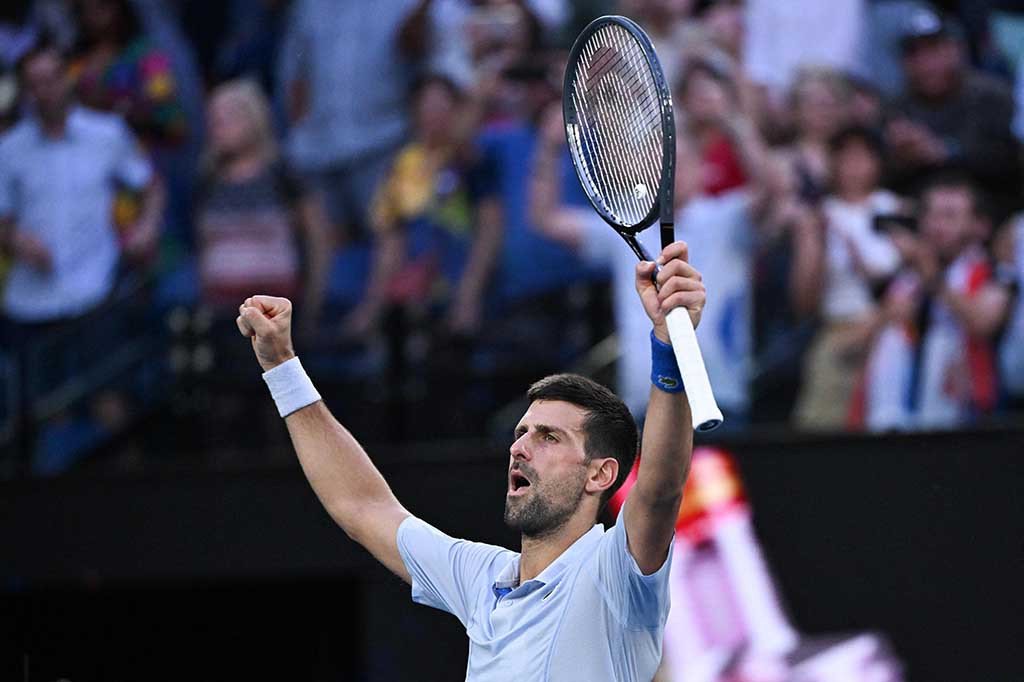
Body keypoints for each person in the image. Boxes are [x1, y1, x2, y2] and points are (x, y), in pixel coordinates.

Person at [235, 238, 706, 680]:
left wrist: (668, 348)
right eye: (521, 433)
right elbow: (363, 506)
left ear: (600, 474)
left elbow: (661, 487)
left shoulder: (615, 574)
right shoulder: (481, 578)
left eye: (548, 438)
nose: (519, 447)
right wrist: (282, 367)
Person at [194, 78, 330, 333]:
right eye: (213, 119)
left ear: (253, 117)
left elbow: (317, 240)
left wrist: (313, 304)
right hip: (222, 317)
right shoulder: (206, 181)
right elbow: (203, 249)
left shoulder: (284, 175)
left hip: (277, 319)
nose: (217, 127)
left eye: (227, 117)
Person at [793, 126, 904, 430]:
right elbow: (803, 302)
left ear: (878, 162)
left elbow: (909, 278)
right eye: (845, 157)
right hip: (837, 329)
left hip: (888, 329)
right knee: (820, 425)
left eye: (863, 157)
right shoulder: (820, 215)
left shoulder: (894, 208)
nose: (854, 167)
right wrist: (812, 241)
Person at [886, 5, 1021, 212]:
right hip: (919, 220)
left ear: (957, 50)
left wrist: (944, 152)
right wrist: (897, 158)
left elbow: (1009, 162)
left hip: (992, 215)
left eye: (934, 50)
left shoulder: (993, 97)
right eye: (915, 53)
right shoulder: (896, 107)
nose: (927, 63)